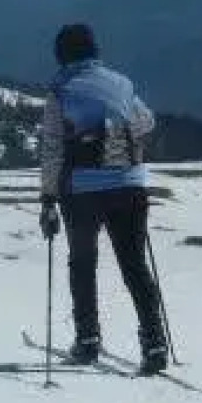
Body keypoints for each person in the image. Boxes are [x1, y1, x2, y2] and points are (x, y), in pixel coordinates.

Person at [36, 22, 168, 374]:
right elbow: (146, 122)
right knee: (134, 263)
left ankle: (88, 338)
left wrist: (48, 196)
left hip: (82, 188)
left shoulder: (60, 89)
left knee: (82, 261)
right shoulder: (121, 83)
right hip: (130, 182)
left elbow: (52, 146)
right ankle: (154, 340)